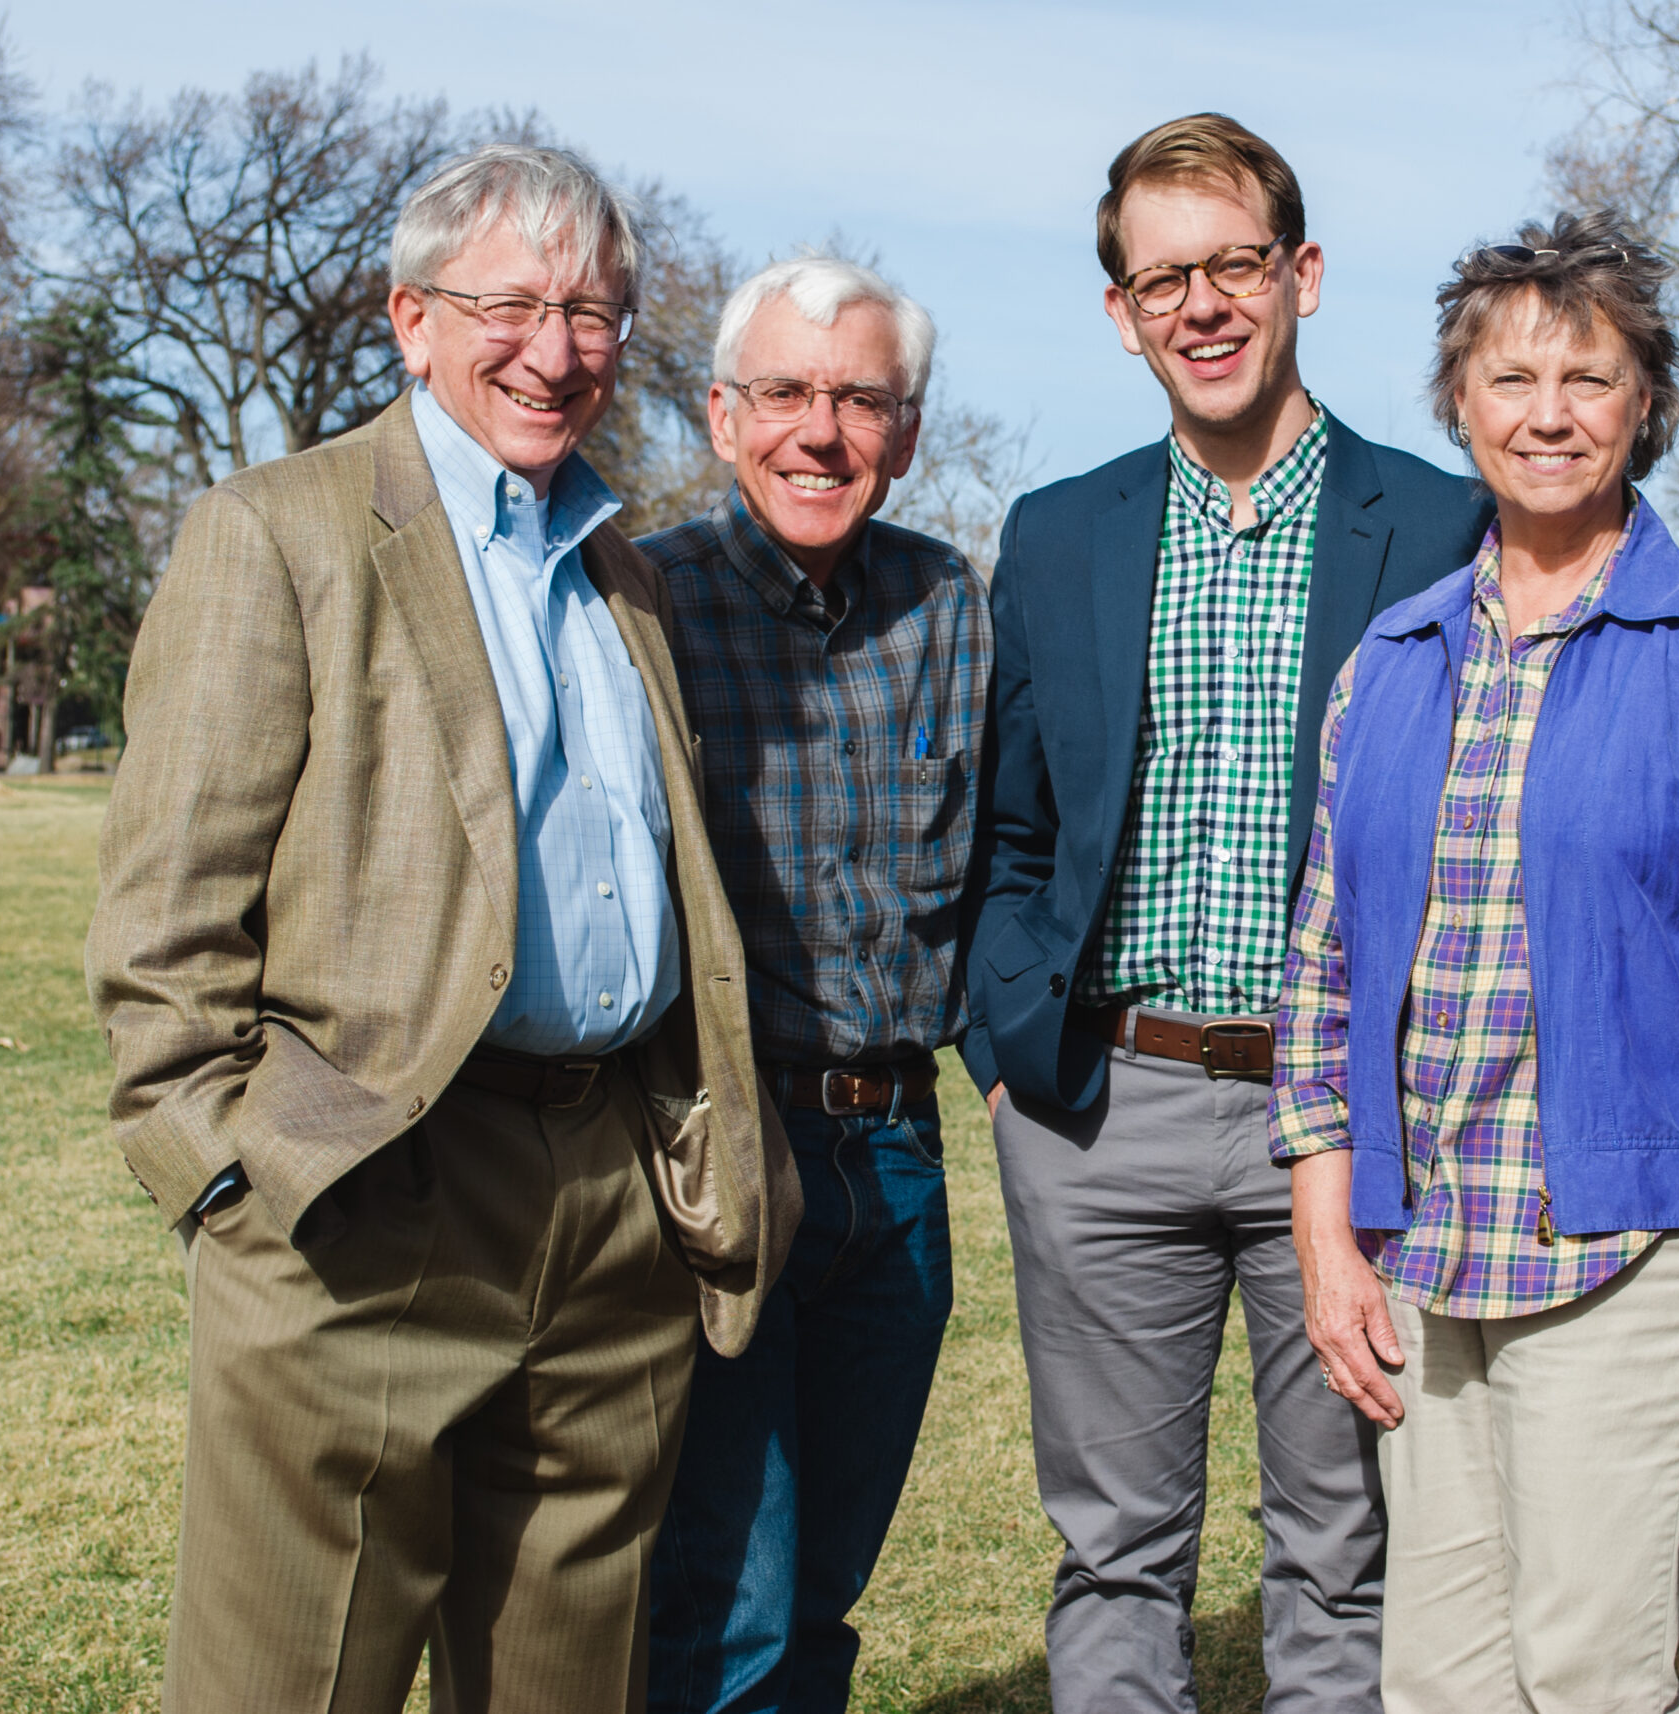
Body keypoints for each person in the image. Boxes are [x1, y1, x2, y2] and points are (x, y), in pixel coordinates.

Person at [85, 144, 796, 1714]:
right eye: (514, 305)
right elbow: (161, 936)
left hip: (612, 1203)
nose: (557, 349)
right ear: (412, 320)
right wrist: (234, 1186)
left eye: (596, 311)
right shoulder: (276, 534)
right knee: (292, 1681)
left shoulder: (625, 566)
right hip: (363, 1196)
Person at [963, 113, 1491, 1713]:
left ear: (1302, 275)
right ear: (1121, 311)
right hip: (1099, 1106)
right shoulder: (1061, 533)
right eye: (1161, 276)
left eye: (1233, 265)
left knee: (1342, 1546)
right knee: (1116, 1549)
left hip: (1339, 1119)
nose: (1201, 304)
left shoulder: (1441, 529)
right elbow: (1005, 823)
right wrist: (1008, 1048)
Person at [1271, 215, 1679, 1713]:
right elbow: (1320, 970)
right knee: (1437, 1676)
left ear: (1646, 404)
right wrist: (1331, 1239)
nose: (1549, 413)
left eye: (1590, 377)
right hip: (1424, 1250)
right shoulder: (1391, 658)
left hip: (1630, 1244)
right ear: (1459, 402)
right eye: (1510, 376)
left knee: (1586, 1670)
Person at [639, 254, 988, 1714]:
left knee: (828, 1572)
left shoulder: (951, 607)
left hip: (896, 1156)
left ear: (905, 434)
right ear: (724, 417)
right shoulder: (642, 602)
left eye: (860, 399)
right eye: (784, 391)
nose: (819, 430)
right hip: (721, 1142)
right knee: (734, 1581)